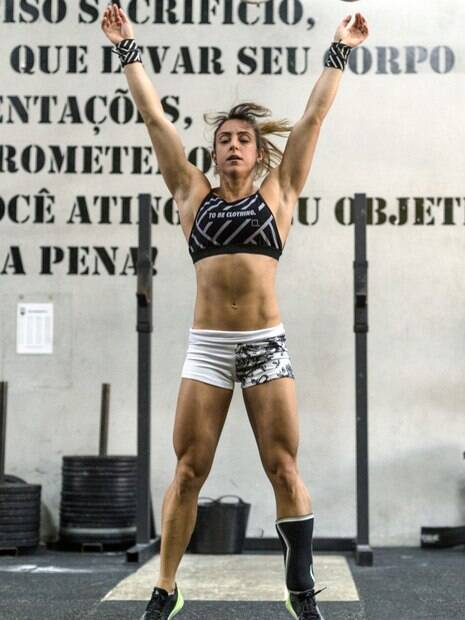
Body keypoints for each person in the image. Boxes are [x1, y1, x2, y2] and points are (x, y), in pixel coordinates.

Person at [101, 5, 369, 620]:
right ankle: (166, 588)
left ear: (257, 152)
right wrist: (126, 45)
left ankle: (299, 586)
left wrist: (339, 48)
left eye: (243, 139)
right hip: (209, 349)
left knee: (283, 466)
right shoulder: (190, 194)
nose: (232, 146)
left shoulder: (281, 194)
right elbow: (152, 116)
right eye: (224, 139)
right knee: (189, 470)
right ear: (214, 153)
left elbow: (314, 115)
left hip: (265, 346)